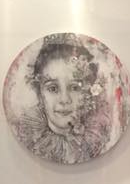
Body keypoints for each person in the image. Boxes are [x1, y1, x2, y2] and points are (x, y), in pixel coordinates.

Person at [9, 33, 110, 164]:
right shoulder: (30, 137)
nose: (64, 99)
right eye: (53, 88)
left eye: (75, 87)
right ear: (40, 93)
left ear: (88, 92)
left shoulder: (97, 139)